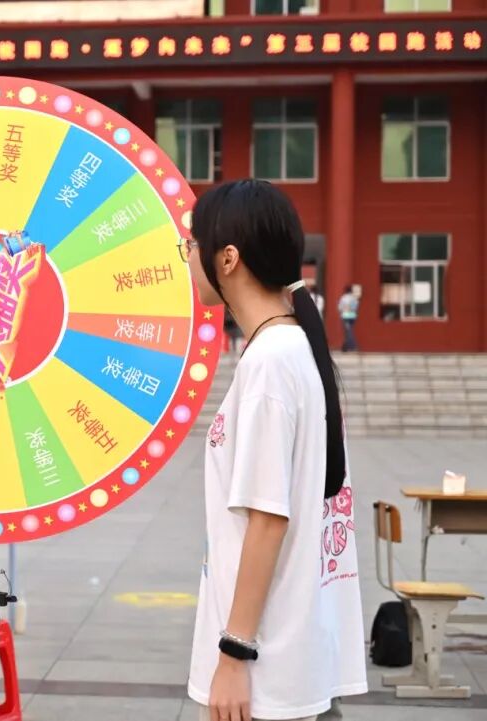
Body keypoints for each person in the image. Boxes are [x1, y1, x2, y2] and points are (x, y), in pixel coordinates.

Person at [179, 180, 367, 721]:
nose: (187, 258)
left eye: (191, 245)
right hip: (287, 656)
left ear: (227, 258)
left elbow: (267, 519)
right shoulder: (290, 348)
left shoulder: (270, 363)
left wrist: (234, 654)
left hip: (266, 669)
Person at [337, 286, 358, 352]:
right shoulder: (354, 298)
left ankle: (351, 346)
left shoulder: (343, 298)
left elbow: (340, 307)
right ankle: (349, 345)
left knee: (348, 331)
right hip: (353, 315)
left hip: (345, 315)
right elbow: (356, 307)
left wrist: (342, 311)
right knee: (350, 330)